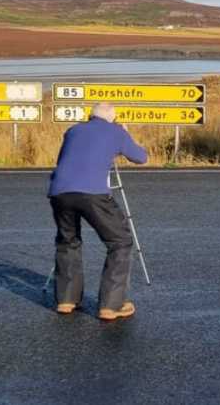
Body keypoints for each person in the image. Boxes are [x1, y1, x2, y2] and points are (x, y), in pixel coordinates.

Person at [47, 102, 148, 320]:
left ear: (90, 116)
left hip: (59, 191)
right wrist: (125, 135)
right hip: (93, 193)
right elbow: (141, 157)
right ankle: (111, 305)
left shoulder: (73, 130)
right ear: (113, 116)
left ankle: (66, 300)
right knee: (120, 241)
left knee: (68, 241)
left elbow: (63, 160)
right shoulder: (116, 131)